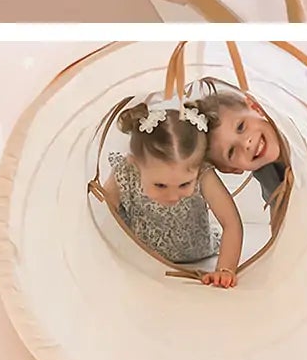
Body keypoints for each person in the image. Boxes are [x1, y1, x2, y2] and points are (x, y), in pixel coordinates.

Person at [101, 94, 242, 284]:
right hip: (141, 258)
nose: (173, 196)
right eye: (160, 185)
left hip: (197, 252)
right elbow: (100, 213)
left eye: (184, 184)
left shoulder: (202, 173)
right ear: (136, 165)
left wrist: (225, 270)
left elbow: (231, 222)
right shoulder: (125, 172)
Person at [194, 78, 288, 206]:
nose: (246, 144)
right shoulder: (269, 182)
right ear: (232, 169)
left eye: (241, 126)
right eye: (231, 151)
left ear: (255, 107)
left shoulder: (302, 132)